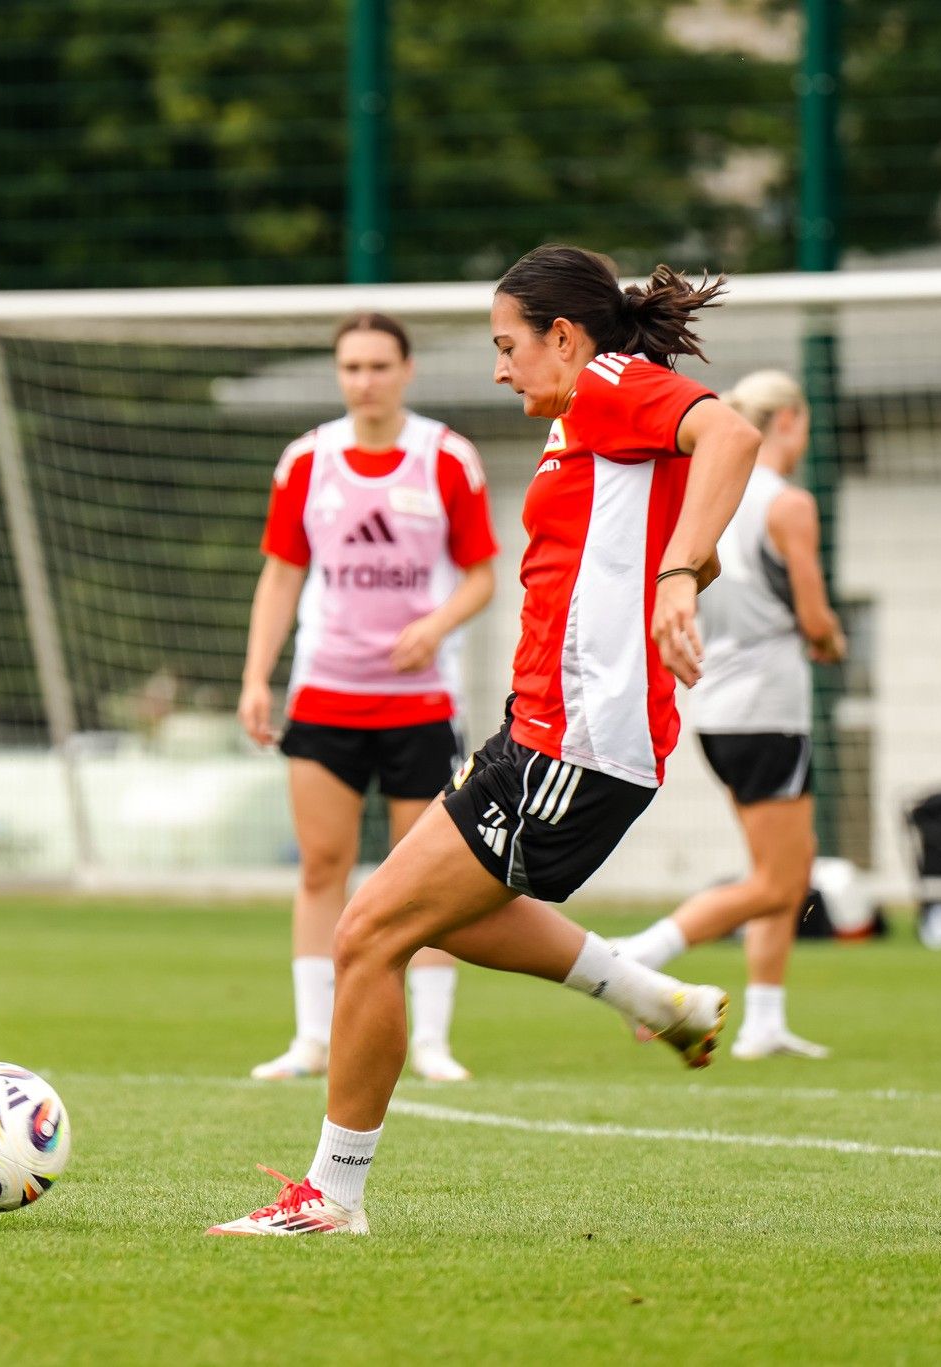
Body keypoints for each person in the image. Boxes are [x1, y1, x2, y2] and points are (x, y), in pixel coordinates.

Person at [209, 245, 762, 1236]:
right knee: (418, 914)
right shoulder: (585, 418)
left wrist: (676, 578)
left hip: (572, 745)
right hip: (538, 730)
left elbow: (730, 434)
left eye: (507, 345)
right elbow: (671, 531)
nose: (500, 368)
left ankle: (331, 1198)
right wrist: (677, 574)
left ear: (562, 334)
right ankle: (655, 994)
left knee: (368, 931)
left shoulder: (605, 384)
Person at [238, 312, 499, 1085]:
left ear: (407, 370)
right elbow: (282, 573)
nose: (365, 380)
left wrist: (437, 623)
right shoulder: (306, 462)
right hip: (326, 694)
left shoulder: (446, 458)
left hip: (420, 702)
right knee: (324, 864)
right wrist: (257, 675)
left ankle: (434, 1042)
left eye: (380, 365)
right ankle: (312, 1037)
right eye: (351, 367)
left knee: (430, 876)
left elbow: (483, 573)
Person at [614, 370, 845, 1059]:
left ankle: (766, 1019)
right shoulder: (788, 503)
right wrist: (833, 640)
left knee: (782, 868)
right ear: (790, 422)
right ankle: (636, 953)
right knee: (779, 879)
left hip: (716, 706)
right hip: (769, 706)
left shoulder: (706, 496)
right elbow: (814, 617)